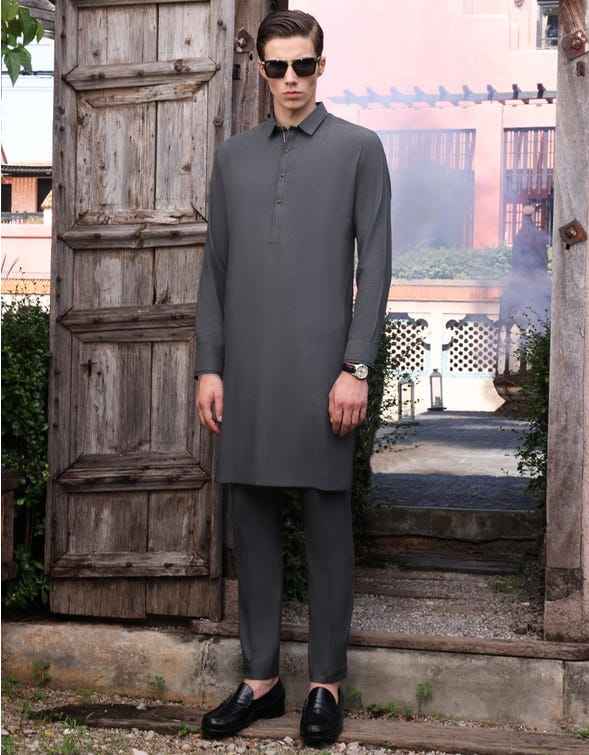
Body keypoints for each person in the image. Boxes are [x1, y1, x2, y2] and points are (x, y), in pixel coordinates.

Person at [194, 9, 392, 747]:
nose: (289, 80)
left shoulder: (358, 149)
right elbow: (214, 269)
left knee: (325, 527)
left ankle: (325, 685)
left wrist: (355, 368)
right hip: (245, 373)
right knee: (251, 524)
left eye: (302, 65)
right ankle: (260, 680)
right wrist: (209, 365)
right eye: (276, 67)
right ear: (261, 71)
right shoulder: (232, 158)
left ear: (321, 66)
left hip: (323, 375)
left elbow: (376, 265)